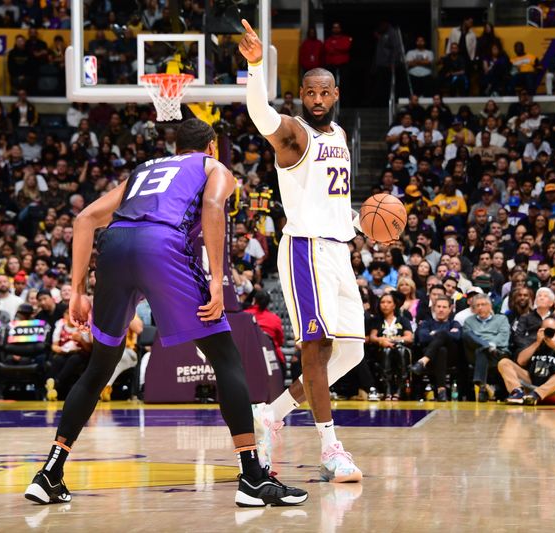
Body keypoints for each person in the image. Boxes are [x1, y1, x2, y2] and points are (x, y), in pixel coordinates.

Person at [24, 117, 307, 506]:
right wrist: (216, 279)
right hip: (162, 245)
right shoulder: (213, 167)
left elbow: (84, 218)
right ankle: (253, 477)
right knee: (226, 357)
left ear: (176, 149)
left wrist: (76, 291)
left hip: (115, 246)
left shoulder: (144, 170)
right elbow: (212, 205)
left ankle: (50, 473)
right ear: (211, 147)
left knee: (98, 369)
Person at [241, 19, 365, 484]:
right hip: (305, 249)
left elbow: (333, 199)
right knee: (316, 348)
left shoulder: (340, 137)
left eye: (324, 93)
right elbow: (261, 117)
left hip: (338, 248)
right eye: (309, 93)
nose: (316, 100)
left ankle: (271, 413)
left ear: (334, 95)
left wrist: (361, 222)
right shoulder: (294, 134)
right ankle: (331, 448)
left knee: (350, 352)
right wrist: (256, 67)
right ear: (302, 95)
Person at [499, 317, 555, 405]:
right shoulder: (534, 342)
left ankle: (536, 394)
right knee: (504, 362)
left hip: (554, 386)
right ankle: (517, 393)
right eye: (544, 330)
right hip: (531, 381)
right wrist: (537, 343)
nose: (547, 333)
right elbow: (520, 361)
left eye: (551, 330)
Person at [409, 296, 463, 402]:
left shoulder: (454, 323)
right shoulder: (426, 323)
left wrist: (436, 333)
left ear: (450, 309)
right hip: (433, 359)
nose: (441, 309)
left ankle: (422, 361)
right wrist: (447, 334)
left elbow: (457, 336)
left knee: (442, 336)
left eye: (444, 307)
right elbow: (423, 338)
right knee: (441, 350)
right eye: (438, 306)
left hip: (451, 358)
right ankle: (441, 390)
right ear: (434, 308)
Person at [462, 294, 511, 402]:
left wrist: (492, 344)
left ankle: (482, 387)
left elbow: (503, 336)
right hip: (475, 353)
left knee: (482, 351)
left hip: (497, 352)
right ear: (473, 309)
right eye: (477, 305)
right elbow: (469, 338)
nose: (480, 307)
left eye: (483, 304)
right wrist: (487, 345)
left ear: (490, 306)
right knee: (469, 337)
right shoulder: (469, 321)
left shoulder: (501, 319)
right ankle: (485, 347)